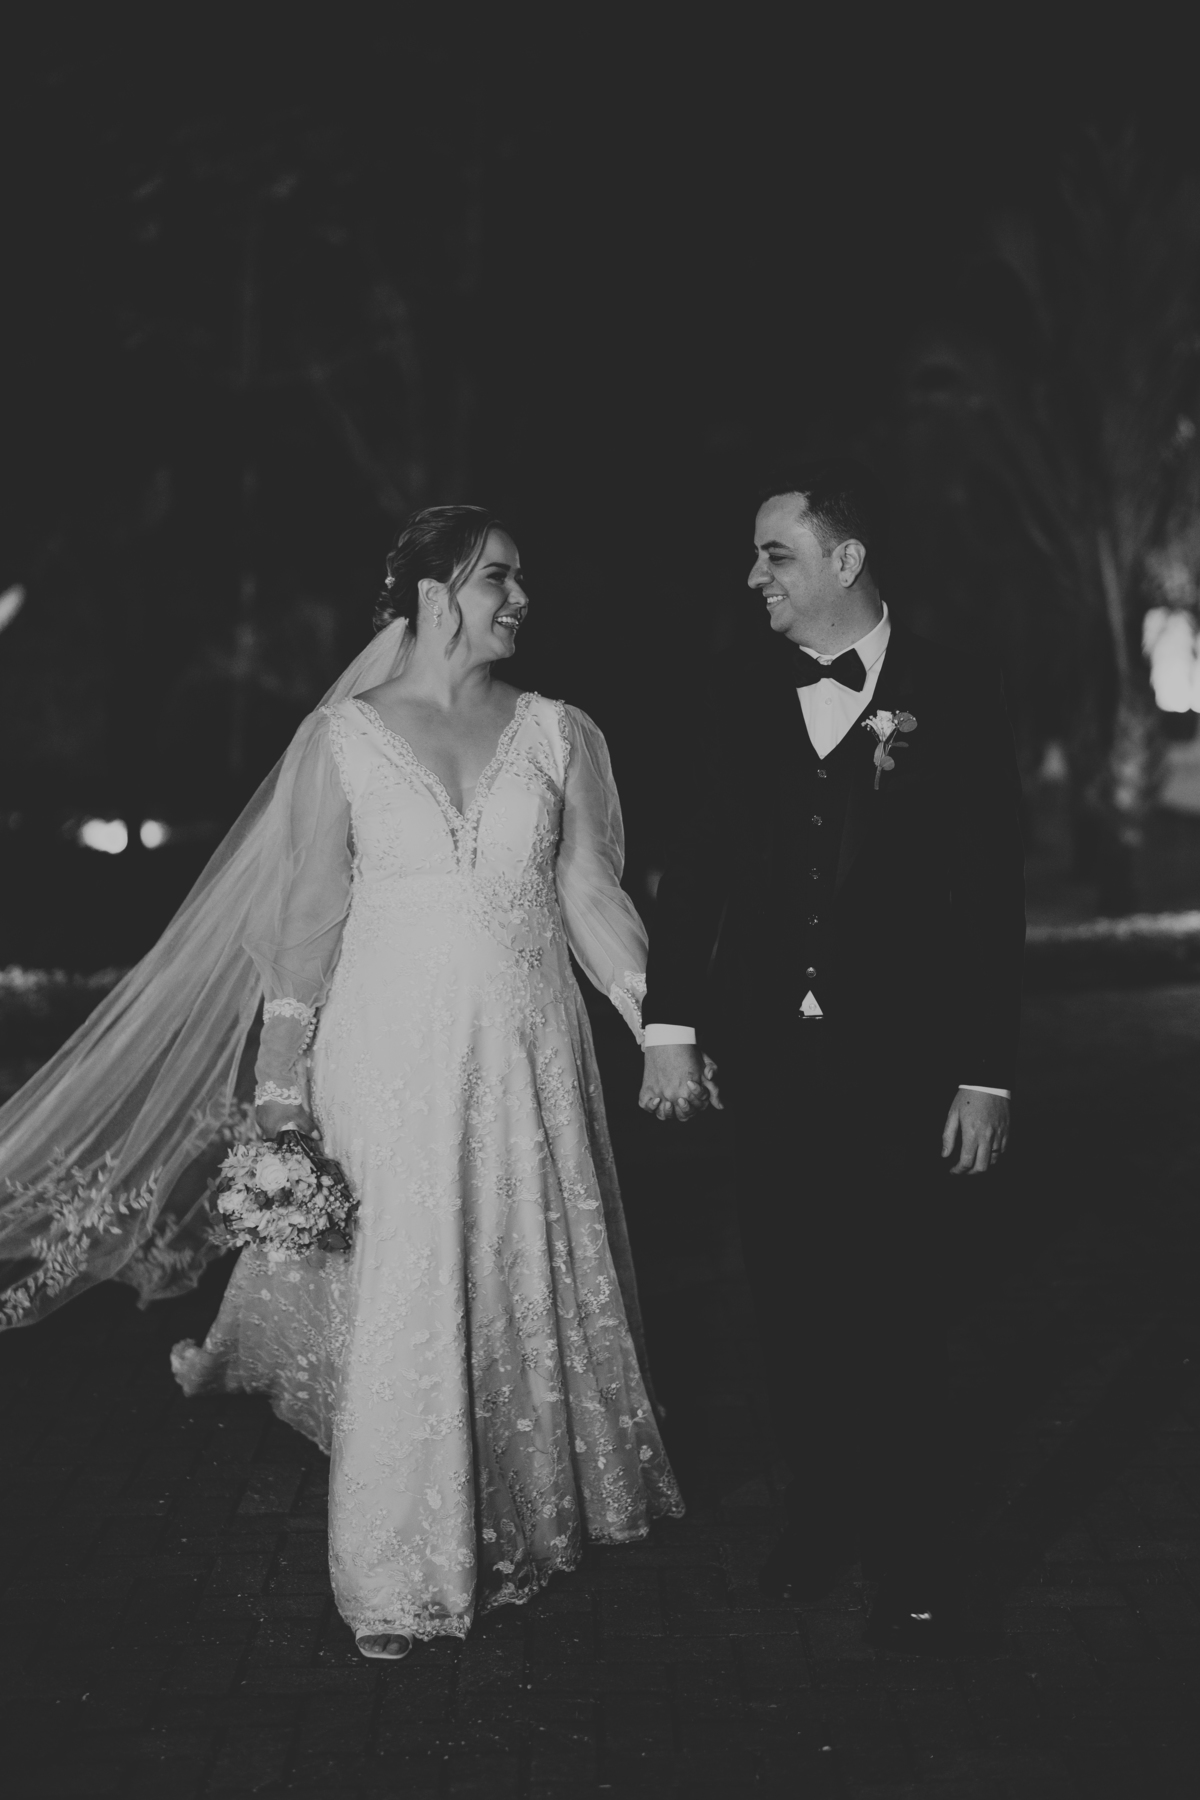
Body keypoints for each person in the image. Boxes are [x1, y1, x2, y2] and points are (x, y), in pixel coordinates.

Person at [1, 505, 681, 1660]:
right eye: (500, 578)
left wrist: (657, 1022)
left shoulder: (561, 731)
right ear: (435, 595)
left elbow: (587, 893)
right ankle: (398, 1573)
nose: (523, 599)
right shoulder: (343, 741)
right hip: (387, 1056)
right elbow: (308, 919)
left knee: (513, 1264)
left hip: (528, 1054)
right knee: (409, 1288)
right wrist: (280, 1088)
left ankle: (525, 1507)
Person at [637, 461, 1024, 1652]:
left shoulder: (957, 690)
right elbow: (695, 869)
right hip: (771, 1062)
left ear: (845, 560)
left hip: (904, 1065)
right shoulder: (732, 691)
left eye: (776, 555)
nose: (753, 576)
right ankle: (821, 1516)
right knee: (789, 1298)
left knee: (901, 1308)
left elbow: (988, 894)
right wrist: (670, 1027)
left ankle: (913, 1550)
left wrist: (986, 1071)